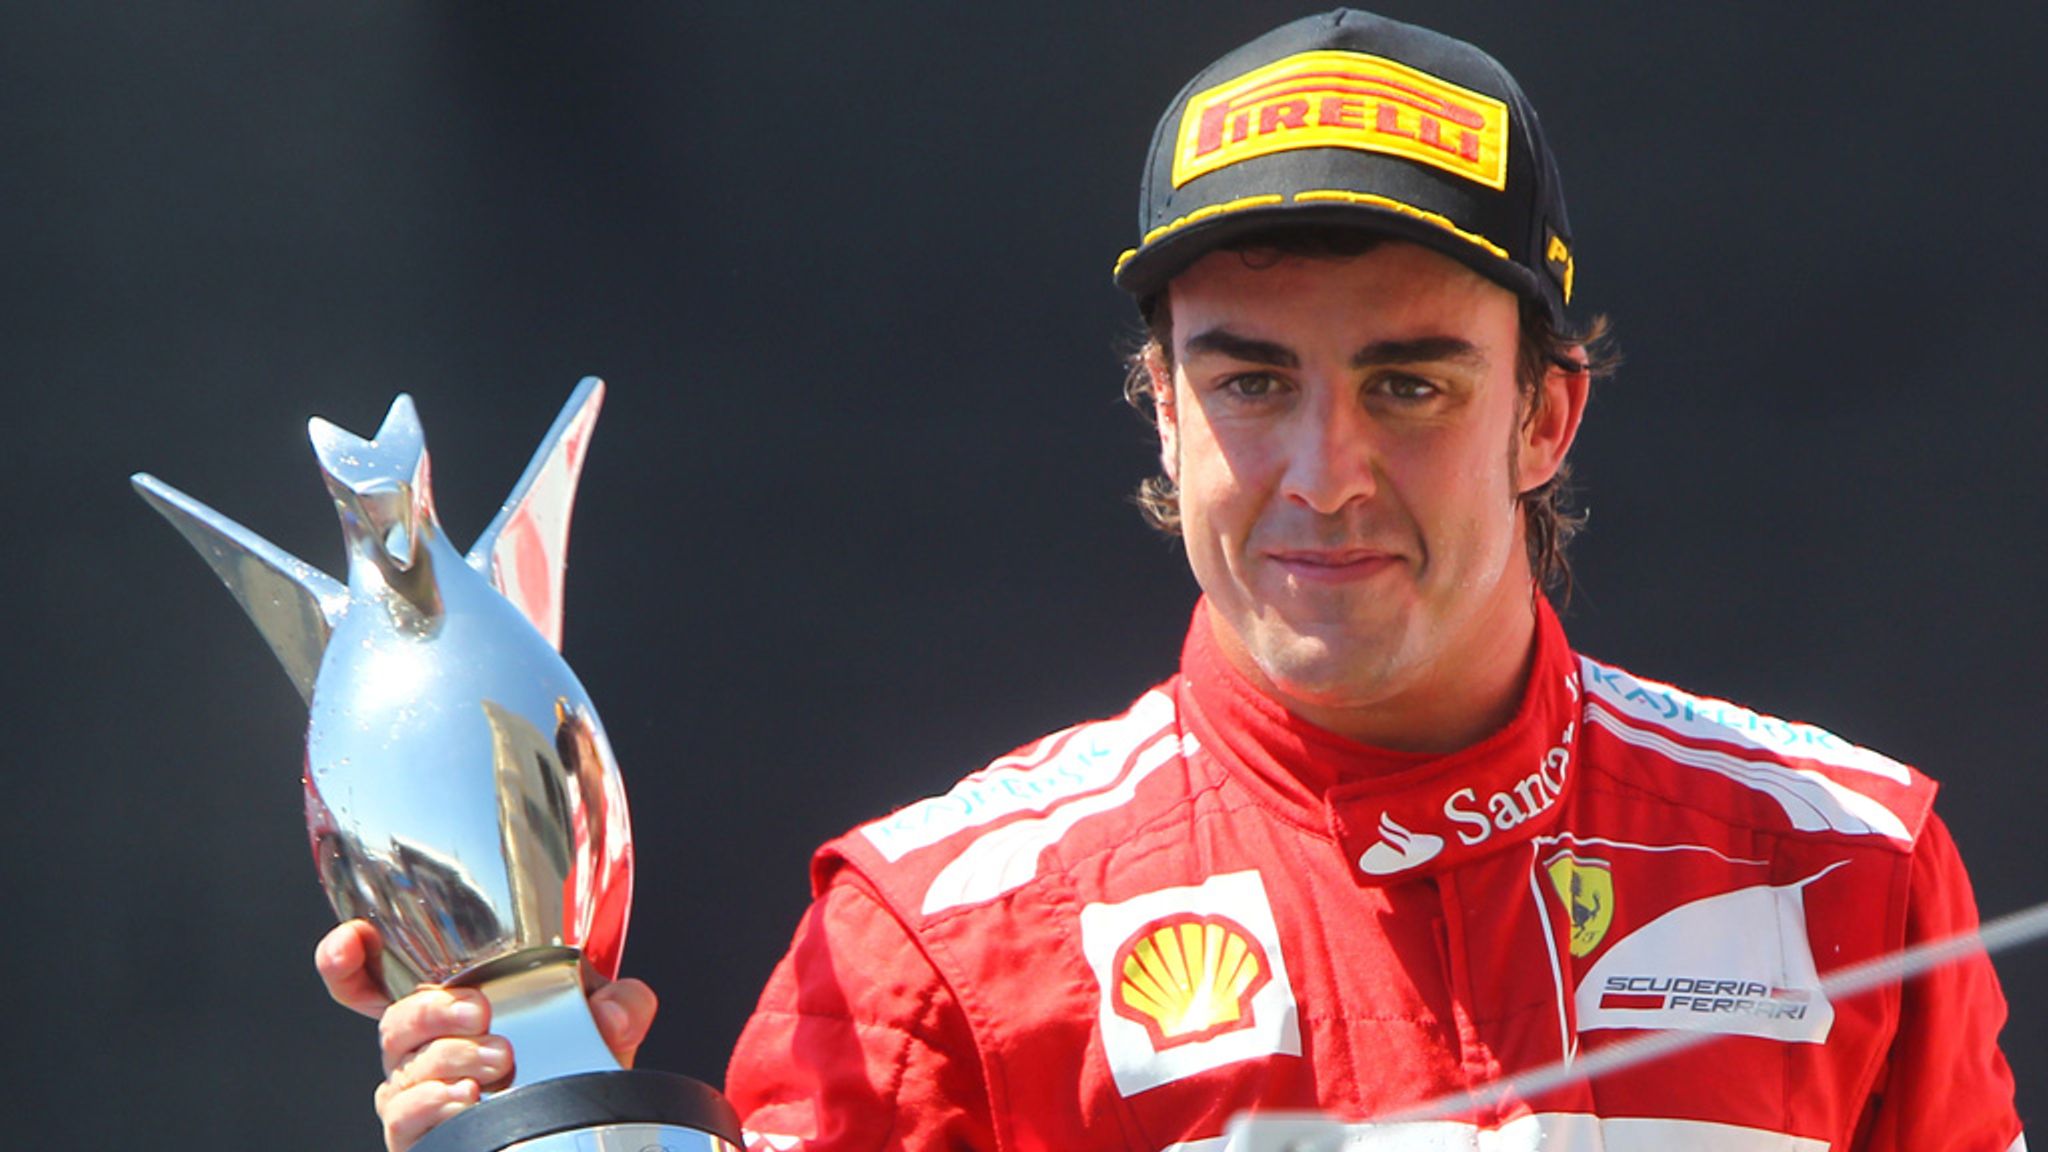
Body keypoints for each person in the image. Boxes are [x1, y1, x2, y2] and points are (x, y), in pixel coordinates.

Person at [319, 9, 2027, 1151]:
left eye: (1412, 384)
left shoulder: (1845, 861)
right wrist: (527, 1108)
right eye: (1251, 380)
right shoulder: (944, 933)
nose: (1323, 469)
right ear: (1165, 405)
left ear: (1547, 415)